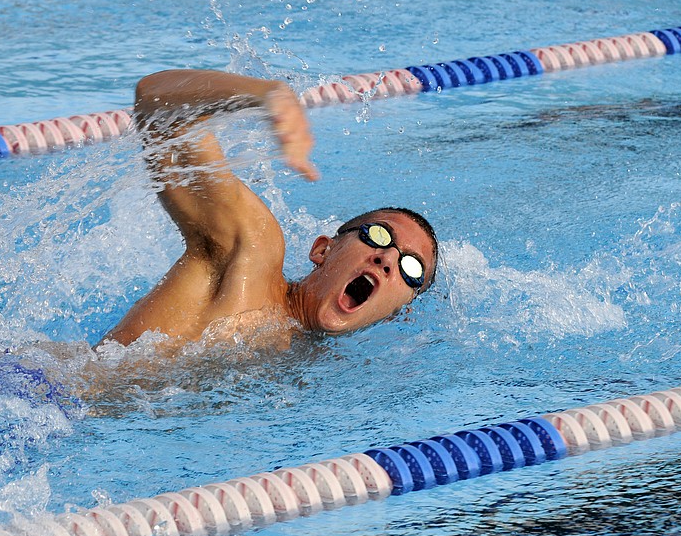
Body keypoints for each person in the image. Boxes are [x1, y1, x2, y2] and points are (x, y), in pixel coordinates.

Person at [102, 69, 438, 349]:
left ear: (397, 313)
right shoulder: (252, 253)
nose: (388, 259)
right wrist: (266, 93)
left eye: (411, 268)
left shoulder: (306, 361)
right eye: (378, 236)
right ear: (322, 250)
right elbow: (156, 99)